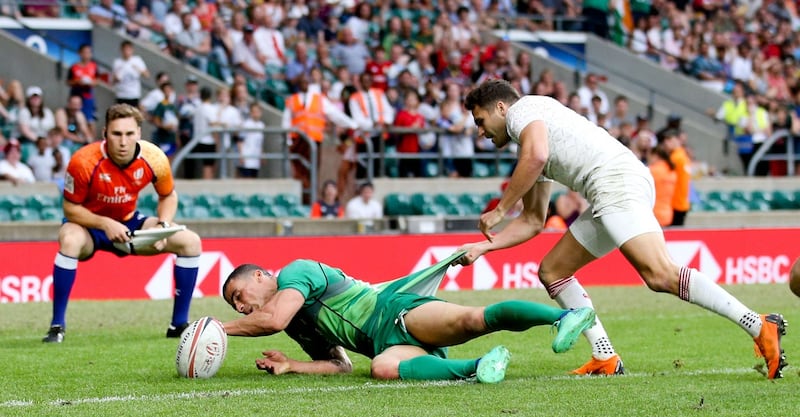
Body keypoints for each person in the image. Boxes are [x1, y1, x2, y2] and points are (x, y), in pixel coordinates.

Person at [458, 79, 788, 379]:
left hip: (616, 183)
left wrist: (500, 208)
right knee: (553, 270)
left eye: (480, 121)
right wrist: (485, 247)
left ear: (500, 107)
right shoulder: (531, 137)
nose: (480, 132)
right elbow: (532, 221)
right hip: (611, 188)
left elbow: (537, 156)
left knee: (660, 275)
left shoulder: (523, 112)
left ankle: (759, 324)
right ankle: (605, 357)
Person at [219, 253, 597, 382]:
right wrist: (293, 366)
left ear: (259, 276)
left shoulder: (294, 272)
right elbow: (340, 366)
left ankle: (564, 315)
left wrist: (217, 329)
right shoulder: (301, 324)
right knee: (381, 368)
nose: (239, 308)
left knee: (472, 320)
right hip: (388, 345)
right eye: (233, 307)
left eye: (238, 296)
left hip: (394, 312)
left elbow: (272, 320)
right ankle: (479, 368)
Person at [43, 104, 202, 343]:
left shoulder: (154, 158)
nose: (123, 141)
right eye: (116, 134)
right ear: (105, 133)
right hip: (89, 227)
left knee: (191, 242)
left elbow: (168, 195)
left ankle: (178, 324)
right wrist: (105, 224)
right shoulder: (83, 161)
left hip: (130, 225)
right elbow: (70, 208)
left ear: (139, 133)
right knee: (69, 239)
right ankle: (57, 326)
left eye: (129, 134)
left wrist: (163, 226)